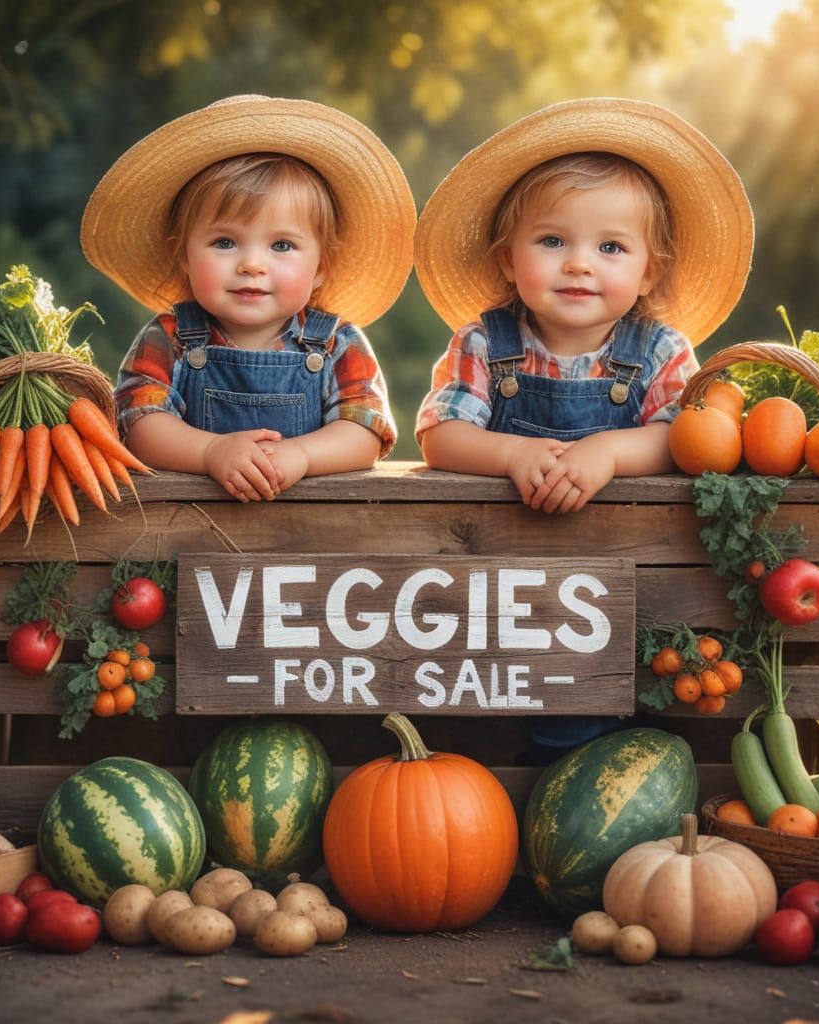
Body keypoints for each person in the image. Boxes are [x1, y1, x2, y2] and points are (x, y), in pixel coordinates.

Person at [413, 97, 754, 754]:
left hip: (627, 587)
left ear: (648, 269)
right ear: (510, 259)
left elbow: (687, 438)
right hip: (503, 584)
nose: (579, 263)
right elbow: (441, 433)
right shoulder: (485, 342)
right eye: (552, 241)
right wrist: (512, 455)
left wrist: (607, 453)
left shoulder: (662, 352)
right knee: (498, 690)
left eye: (611, 246)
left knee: (619, 687)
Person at [81, 95, 416, 501]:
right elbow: (137, 425)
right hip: (191, 533)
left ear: (321, 267)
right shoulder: (170, 336)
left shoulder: (335, 342)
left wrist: (302, 455)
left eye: (281, 246)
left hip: (309, 539)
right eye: (225, 242)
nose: (252, 264)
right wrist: (210, 450)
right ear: (183, 256)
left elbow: (365, 431)